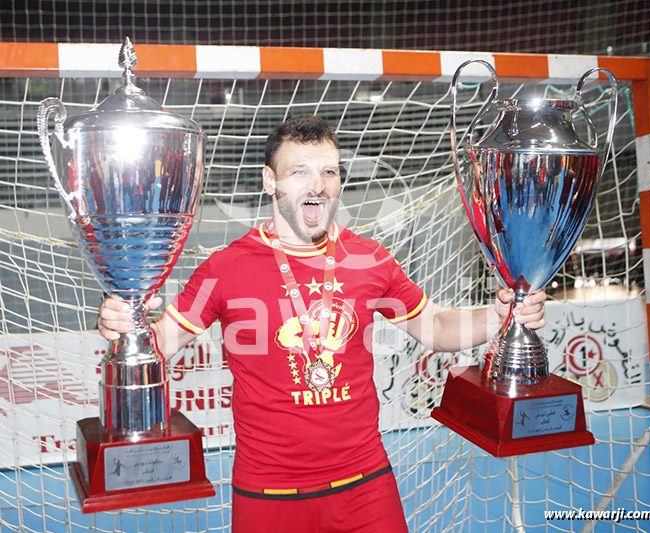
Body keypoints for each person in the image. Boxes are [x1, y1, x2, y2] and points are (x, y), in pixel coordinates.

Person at [98, 115, 545, 532]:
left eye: (329, 172)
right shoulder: (225, 267)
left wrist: (499, 316)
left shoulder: (371, 259)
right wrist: (125, 324)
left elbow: (436, 328)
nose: (318, 185)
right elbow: (161, 342)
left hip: (365, 485)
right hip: (267, 492)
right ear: (270, 180)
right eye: (300, 172)